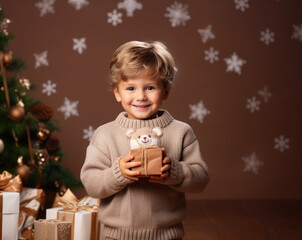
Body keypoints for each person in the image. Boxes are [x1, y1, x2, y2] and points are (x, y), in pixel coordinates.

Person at [80, 41, 210, 240]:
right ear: (117, 92)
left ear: (165, 91)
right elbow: (91, 183)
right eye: (130, 88)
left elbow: (201, 179)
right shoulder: (105, 134)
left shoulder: (181, 131)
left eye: (150, 87)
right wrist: (119, 173)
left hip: (167, 235)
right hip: (116, 236)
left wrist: (175, 171)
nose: (140, 96)